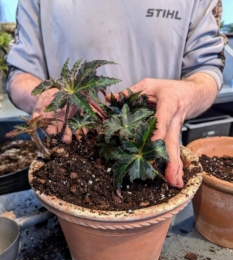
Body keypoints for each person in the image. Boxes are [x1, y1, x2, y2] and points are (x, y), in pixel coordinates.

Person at [6, 0, 226, 189]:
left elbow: (208, 68)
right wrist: (45, 98)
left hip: (154, 155)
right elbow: (19, 73)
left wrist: (185, 95)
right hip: (70, 158)